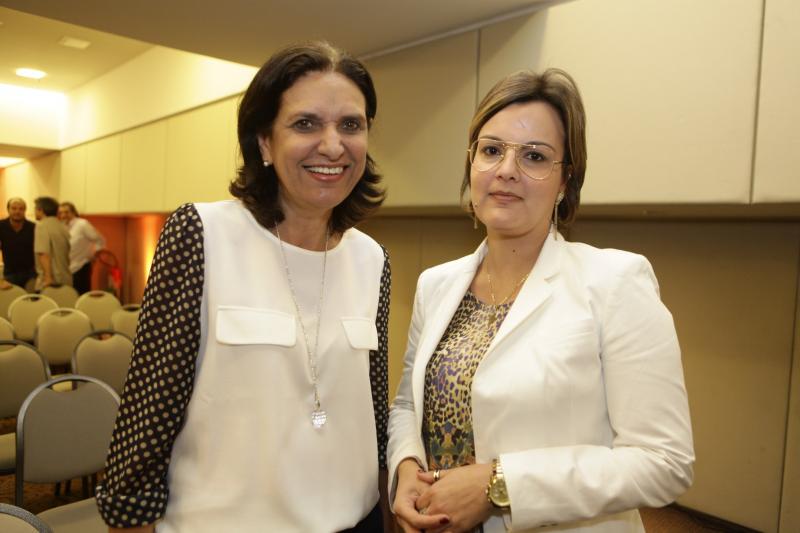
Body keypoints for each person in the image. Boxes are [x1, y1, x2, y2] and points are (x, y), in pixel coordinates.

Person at [96, 41, 391, 533]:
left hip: (355, 520)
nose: (332, 145)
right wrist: (128, 517)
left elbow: (374, 407)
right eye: (306, 124)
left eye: (350, 125)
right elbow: (150, 407)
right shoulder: (202, 233)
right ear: (264, 143)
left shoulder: (372, 259)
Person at [387, 69, 694, 533]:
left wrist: (501, 485)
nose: (506, 170)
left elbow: (664, 462)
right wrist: (406, 466)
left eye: (534, 156)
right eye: (492, 150)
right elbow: (408, 406)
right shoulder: (437, 284)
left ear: (566, 181)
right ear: (471, 163)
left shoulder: (614, 282)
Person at [57, 201, 105, 294]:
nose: (63, 215)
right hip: (67, 269)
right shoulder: (62, 226)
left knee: (81, 295)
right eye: (61, 213)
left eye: (66, 212)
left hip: (80, 267)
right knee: (68, 296)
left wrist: (95, 255)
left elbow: (100, 240)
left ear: (73, 212)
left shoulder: (82, 224)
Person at [33, 196, 71, 290]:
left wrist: (47, 278)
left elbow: (43, 253)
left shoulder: (42, 225)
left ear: (41, 210)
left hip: (51, 281)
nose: (34, 212)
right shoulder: (62, 226)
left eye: (35, 209)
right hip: (66, 278)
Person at [0, 197, 36, 289]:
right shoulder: (1, 226)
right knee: (11, 297)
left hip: (31, 274)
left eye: (21, 209)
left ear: (25, 210)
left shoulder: (33, 227)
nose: (17, 211)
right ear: (8, 210)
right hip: (9, 273)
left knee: (31, 298)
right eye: (14, 208)